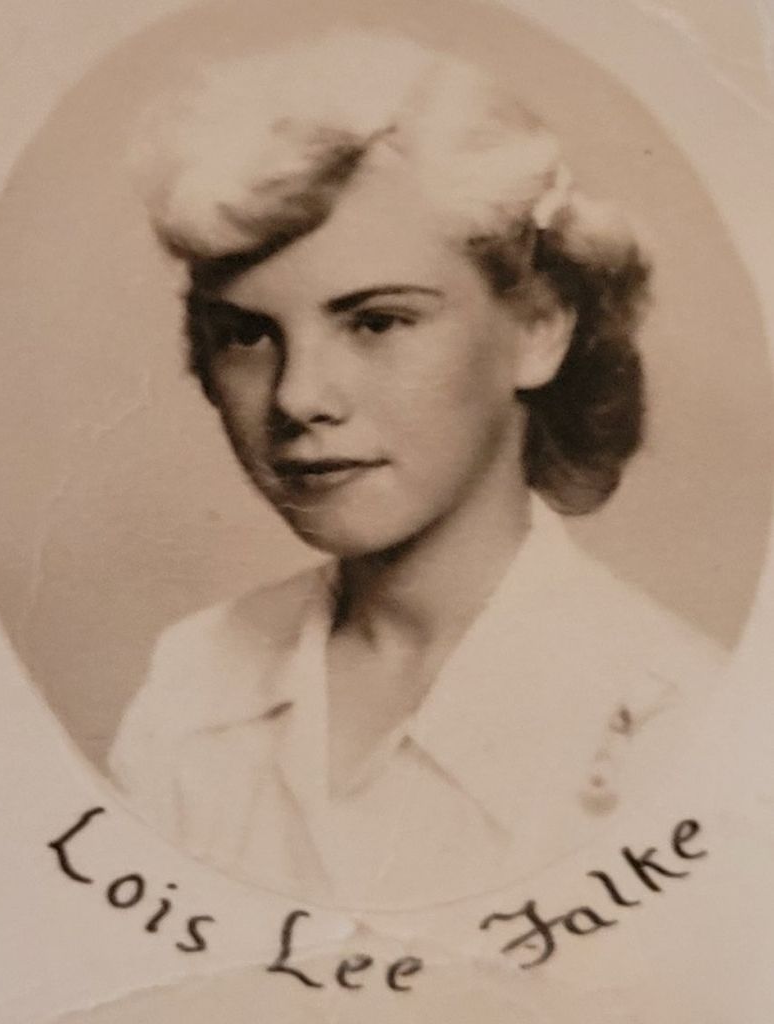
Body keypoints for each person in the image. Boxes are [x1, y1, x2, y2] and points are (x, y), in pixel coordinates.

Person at [109, 30, 724, 907]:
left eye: (376, 322)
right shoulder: (195, 679)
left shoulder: (677, 725)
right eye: (245, 334)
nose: (298, 396)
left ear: (538, 327)